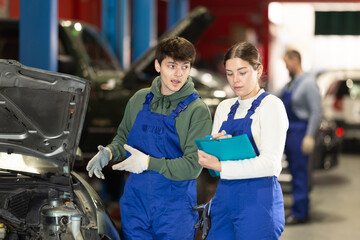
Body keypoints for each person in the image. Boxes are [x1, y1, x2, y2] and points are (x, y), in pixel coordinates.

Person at [86, 36, 212, 239]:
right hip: (136, 205)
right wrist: (109, 152)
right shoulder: (138, 100)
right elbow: (123, 139)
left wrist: (147, 162)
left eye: (185, 67)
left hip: (174, 211)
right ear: (157, 65)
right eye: (171, 66)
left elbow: (192, 167)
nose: (178, 74)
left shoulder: (197, 110)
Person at [196, 41, 288, 239]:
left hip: (258, 202)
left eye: (242, 72)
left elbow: (270, 165)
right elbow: (215, 169)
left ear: (258, 70)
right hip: (224, 198)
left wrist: (222, 164)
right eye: (229, 73)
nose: (235, 80)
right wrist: (214, 149)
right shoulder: (224, 108)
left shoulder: (271, 106)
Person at [279, 49, 322, 225]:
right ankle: (298, 208)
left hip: (300, 132)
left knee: (300, 174)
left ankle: (300, 212)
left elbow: (316, 111)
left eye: (287, 62)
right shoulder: (292, 83)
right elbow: (276, 95)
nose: (286, 66)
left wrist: (310, 136)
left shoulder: (308, 83)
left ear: (295, 60)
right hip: (290, 132)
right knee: (294, 172)